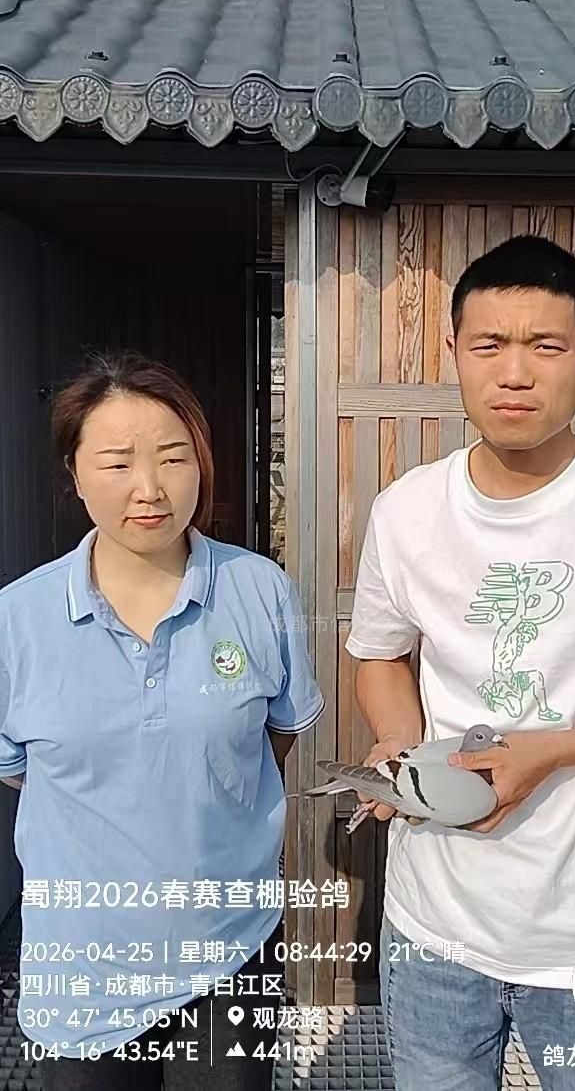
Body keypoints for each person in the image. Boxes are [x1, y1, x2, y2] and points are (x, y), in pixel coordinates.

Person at [344, 235, 575, 1091]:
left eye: (546, 346)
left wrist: (556, 749)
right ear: (453, 351)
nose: (514, 373)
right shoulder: (406, 510)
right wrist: (401, 745)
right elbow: (380, 657)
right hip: (429, 928)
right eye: (489, 345)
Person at [0, 351, 325, 1091]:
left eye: (174, 458)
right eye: (117, 463)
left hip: (227, 946)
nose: (149, 488)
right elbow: (22, 772)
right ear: (74, 472)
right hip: (81, 965)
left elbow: (273, 738)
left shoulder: (259, 591)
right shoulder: (17, 619)